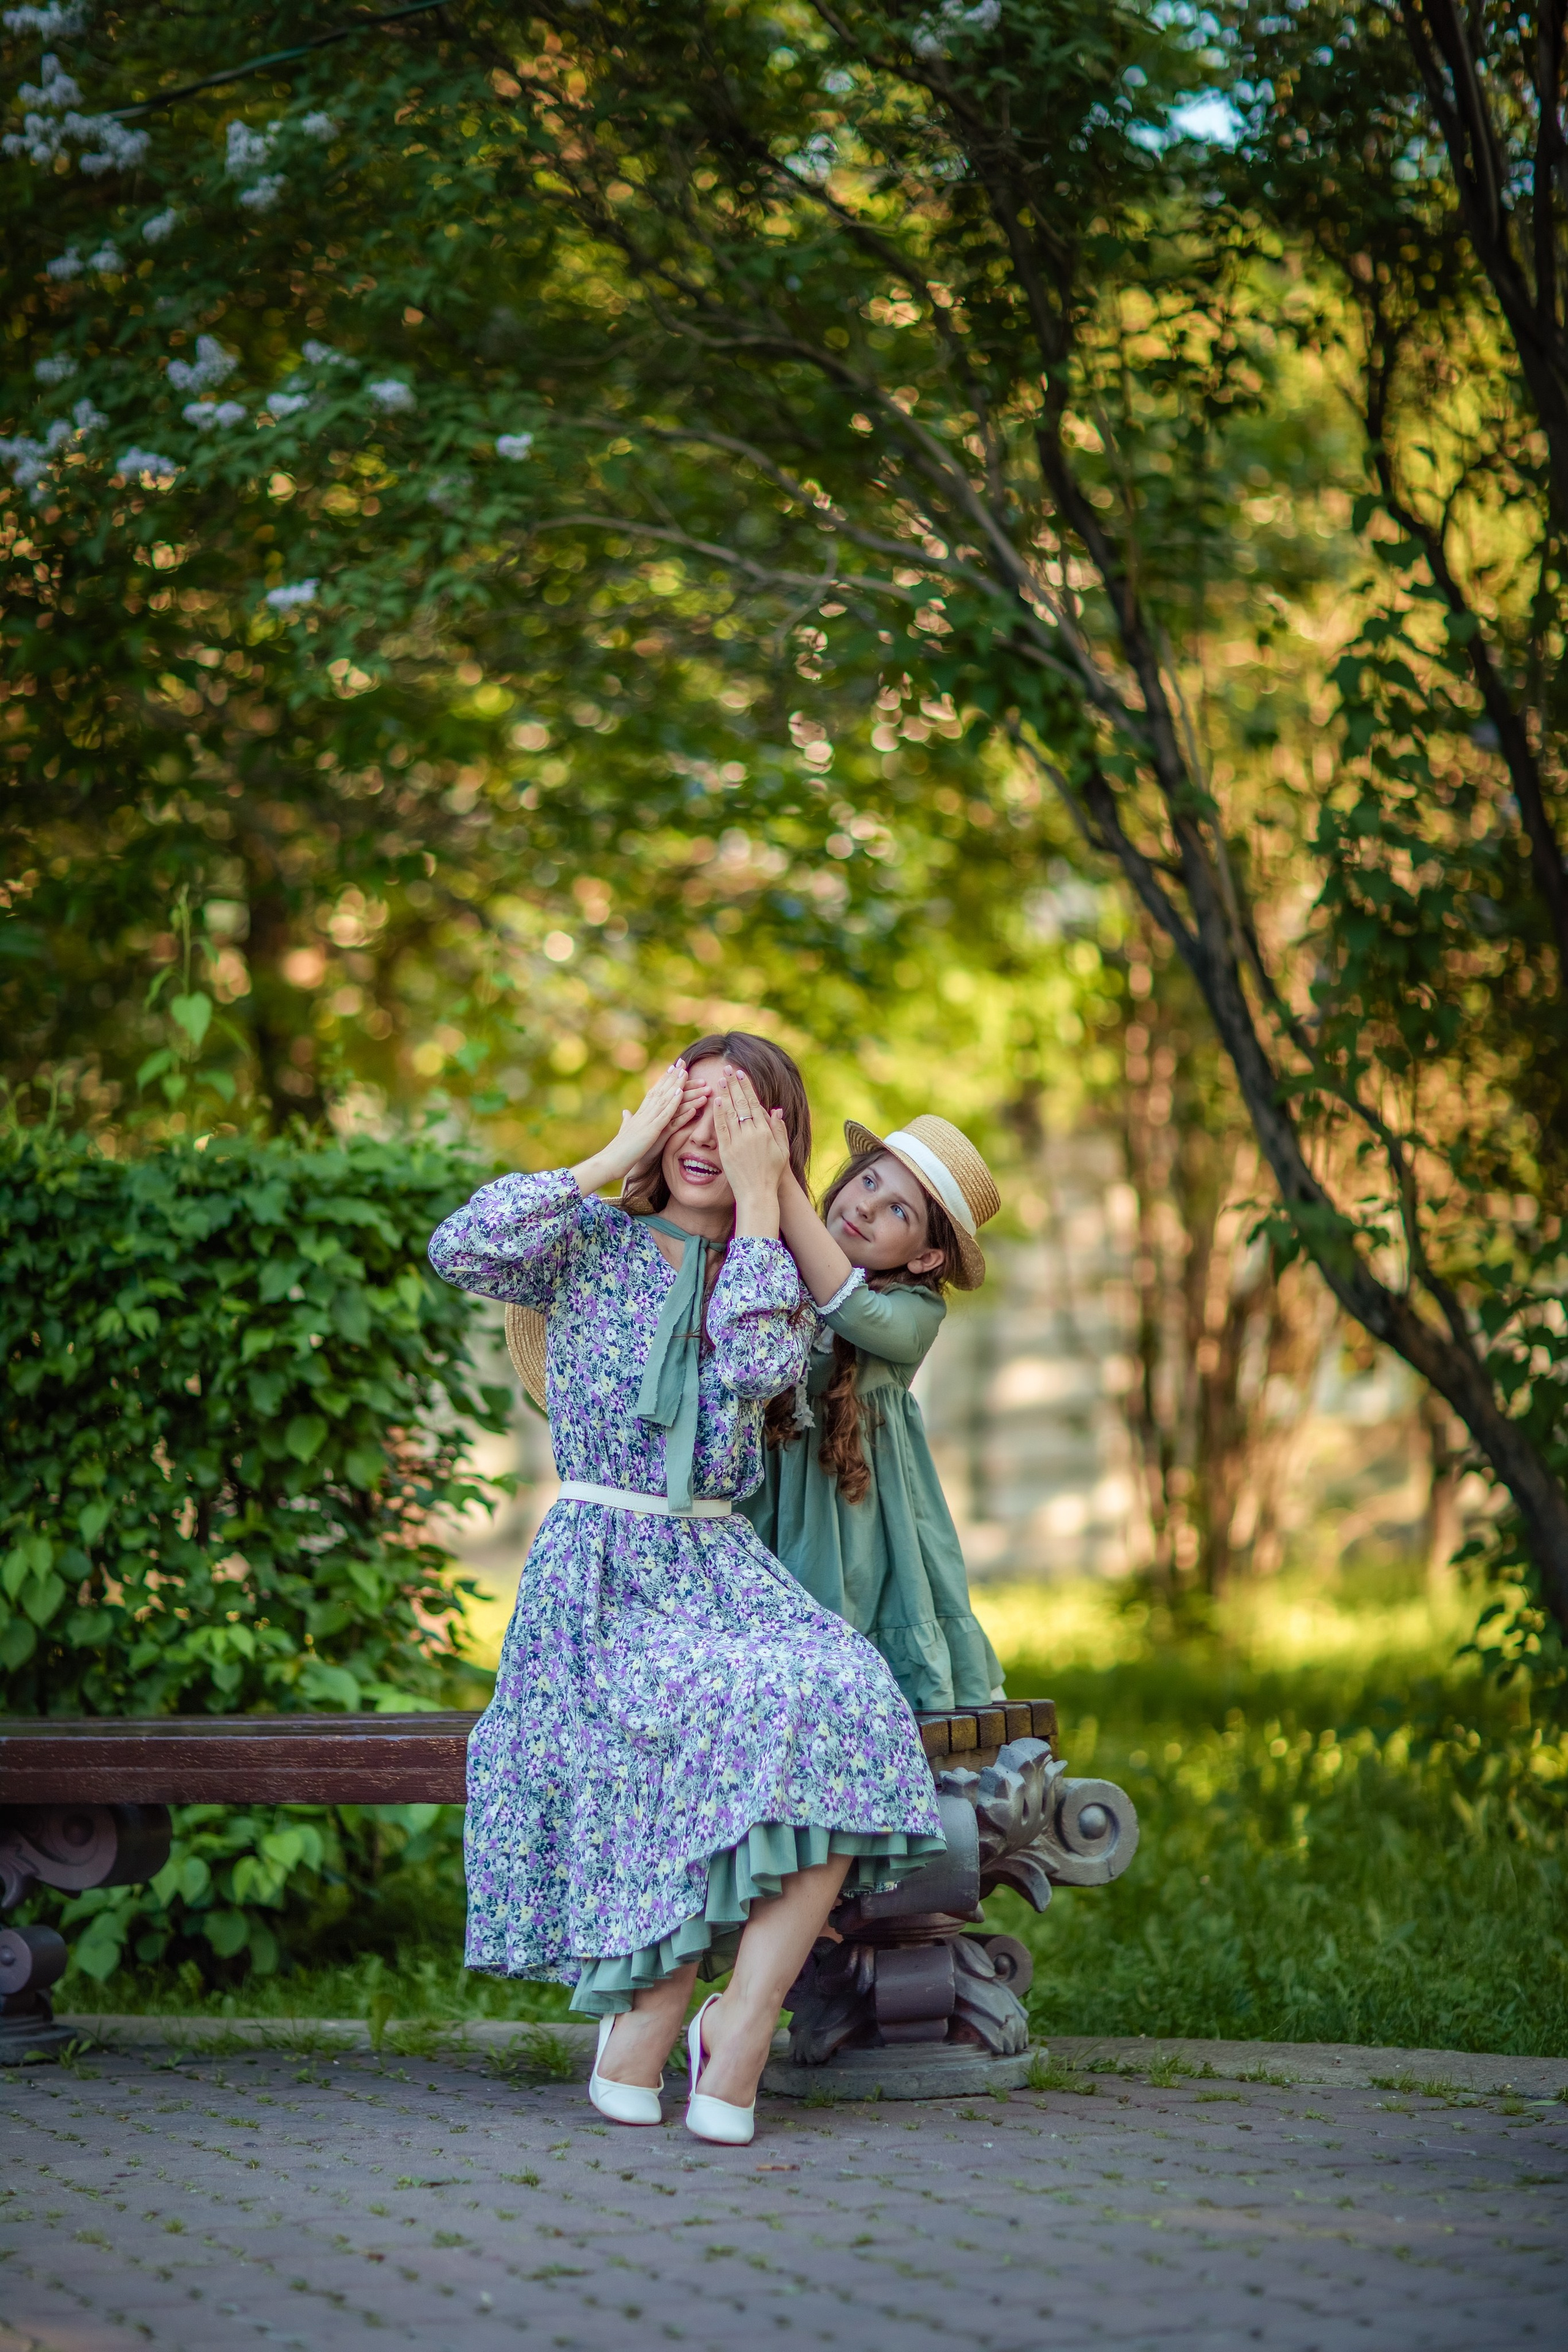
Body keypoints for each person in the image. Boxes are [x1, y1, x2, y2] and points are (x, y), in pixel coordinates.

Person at [426, 1033, 944, 2146]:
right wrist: (615, 1147)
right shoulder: (591, 1245)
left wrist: (763, 1215)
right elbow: (460, 1244)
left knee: (846, 1693)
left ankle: (741, 2024)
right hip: (602, 1576)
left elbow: (757, 1372)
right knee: (738, 1705)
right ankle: (656, 2014)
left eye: (741, 1119)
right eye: (690, 1109)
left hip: (716, 1566)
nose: (708, 1137)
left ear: (780, 1145)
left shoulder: (777, 1279)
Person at [741, 1114, 1005, 1713]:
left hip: (859, 1528)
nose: (865, 1208)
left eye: (897, 1212)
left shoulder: (913, 1310)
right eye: (867, 1184)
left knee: (849, 1652)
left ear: (925, 1259)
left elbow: (855, 1312)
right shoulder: (770, 1263)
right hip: (766, 1505)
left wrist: (779, 1183)